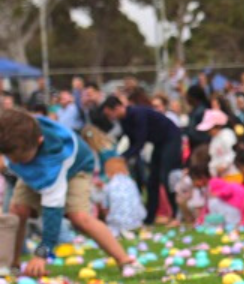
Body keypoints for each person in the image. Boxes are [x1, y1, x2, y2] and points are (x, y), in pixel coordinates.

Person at [0, 109, 141, 277]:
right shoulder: (17, 134)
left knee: (79, 217)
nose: (13, 163)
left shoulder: (55, 159)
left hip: (75, 169)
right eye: (9, 157)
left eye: (19, 159)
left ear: (39, 141)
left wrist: (42, 253)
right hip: (34, 168)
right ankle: (11, 266)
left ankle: (124, 260)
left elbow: (53, 212)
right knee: (17, 211)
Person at [101, 95, 183, 225]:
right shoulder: (124, 120)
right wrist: (125, 156)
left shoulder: (137, 114)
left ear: (117, 108)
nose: (110, 118)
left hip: (171, 138)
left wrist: (124, 157)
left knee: (165, 176)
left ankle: (176, 214)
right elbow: (133, 142)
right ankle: (149, 218)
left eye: (110, 113)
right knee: (152, 181)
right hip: (158, 143)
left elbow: (140, 140)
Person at [99, 157, 146, 236]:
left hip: (117, 223)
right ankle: (132, 227)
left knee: (106, 207)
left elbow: (105, 206)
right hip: (137, 221)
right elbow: (138, 200)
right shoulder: (132, 183)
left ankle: (119, 227)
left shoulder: (109, 186)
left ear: (108, 173)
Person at [197, 109, 242, 184]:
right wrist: (213, 170)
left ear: (217, 126)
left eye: (210, 129)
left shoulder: (227, 135)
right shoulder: (214, 140)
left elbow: (232, 152)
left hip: (233, 174)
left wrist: (224, 166)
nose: (209, 132)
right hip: (222, 177)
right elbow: (214, 157)